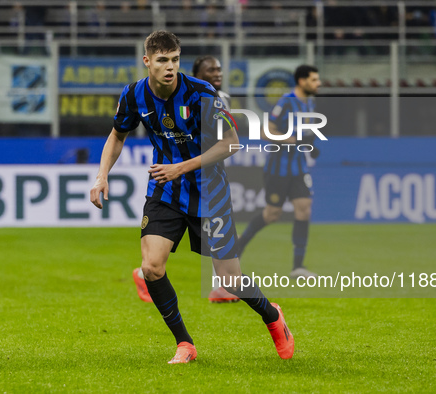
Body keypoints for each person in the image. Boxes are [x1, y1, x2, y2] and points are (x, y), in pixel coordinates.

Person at [90, 31, 293, 364]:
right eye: (162, 61)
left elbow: (230, 143)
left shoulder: (202, 93)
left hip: (209, 192)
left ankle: (272, 316)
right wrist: (101, 176)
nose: (170, 67)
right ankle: (185, 344)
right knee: (151, 267)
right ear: (147, 62)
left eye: (175, 60)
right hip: (165, 190)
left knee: (230, 278)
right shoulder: (133, 95)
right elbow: (117, 135)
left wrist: (180, 167)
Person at [133, 55, 239, 304]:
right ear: (196, 73)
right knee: (168, 251)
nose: (218, 73)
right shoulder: (182, 96)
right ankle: (144, 273)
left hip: (208, 177)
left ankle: (222, 287)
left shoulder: (219, 99)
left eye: (219, 69)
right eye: (211, 69)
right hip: (182, 182)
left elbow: (227, 141)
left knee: (221, 241)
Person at [236, 65, 321, 279]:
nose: (318, 83)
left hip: (299, 167)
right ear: (301, 81)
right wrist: (294, 140)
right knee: (271, 214)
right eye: (314, 80)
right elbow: (266, 132)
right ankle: (237, 248)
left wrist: (311, 145)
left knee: (304, 208)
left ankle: (297, 267)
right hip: (278, 169)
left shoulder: (310, 102)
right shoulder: (285, 102)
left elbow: (304, 133)